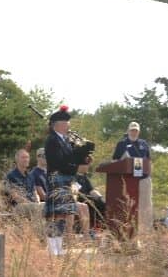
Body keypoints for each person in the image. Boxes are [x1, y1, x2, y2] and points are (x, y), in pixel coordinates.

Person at [44, 105, 91, 255]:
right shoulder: (52, 141)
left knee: (64, 214)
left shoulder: (65, 141)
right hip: (57, 178)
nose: (68, 125)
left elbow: (71, 158)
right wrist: (75, 167)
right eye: (66, 123)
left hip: (66, 180)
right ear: (58, 125)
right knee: (55, 215)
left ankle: (59, 247)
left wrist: (84, 156)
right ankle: (53, 249)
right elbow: (58, 162)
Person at [112, 121, 153, 232]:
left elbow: (149, 160)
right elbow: (115, 160)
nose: (134, 132)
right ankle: (129, 230)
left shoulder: (144, 144)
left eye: (136, 130)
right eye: (132, 130)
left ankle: (146, 231)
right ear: (128, 131)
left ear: (139, 132)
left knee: (145, 205)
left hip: (144, 179)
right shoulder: (121, 144)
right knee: (130, 205)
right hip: (128, 180)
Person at [76, 163, 106, 229]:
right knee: (91, 204)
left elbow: (91, 190)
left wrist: (100, 197)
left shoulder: (84, 177)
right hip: (80, 198)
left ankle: (101, 225)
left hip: (89, 197)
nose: (88, 166)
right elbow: (76, 192)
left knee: (102, 204)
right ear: (80, 165)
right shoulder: (73, 176)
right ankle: (90, 227)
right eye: (87, 164)